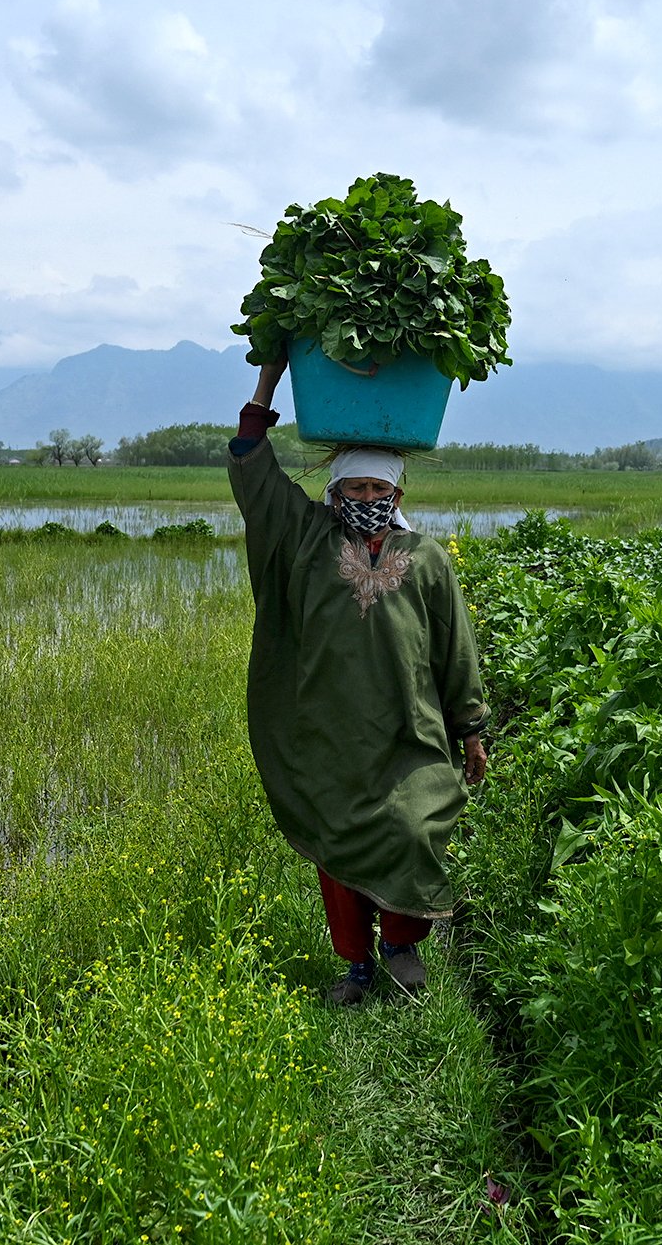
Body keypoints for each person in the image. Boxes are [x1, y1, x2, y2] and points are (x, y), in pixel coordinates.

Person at [227, 353, 488, 1005]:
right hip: (328, 729)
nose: (367, 501)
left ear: (397, 496)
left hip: (409, 731)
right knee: (336, 842)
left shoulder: (426, 560)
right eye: (355, 491)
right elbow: (253, 473)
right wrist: (268, 381)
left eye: (379, 491)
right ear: (335, 493)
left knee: (414, 827)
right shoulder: (306, 540)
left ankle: (401, 949)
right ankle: (357, 966)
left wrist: (474, 727)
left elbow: (456, 650)